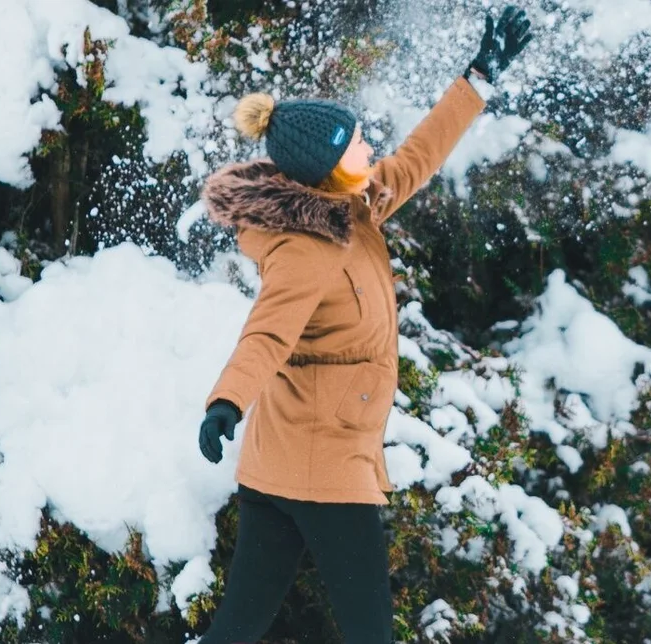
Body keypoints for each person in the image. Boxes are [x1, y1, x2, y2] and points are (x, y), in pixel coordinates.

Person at [191, 6, 533, 642]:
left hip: (282, 462)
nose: (368, 146)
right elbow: (265, 335)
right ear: (327, 168)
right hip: (324, 463)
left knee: (236, 633)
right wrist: (225, 404)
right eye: (354, 144)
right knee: (369, 633)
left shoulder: (354, 206)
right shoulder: (304, 250)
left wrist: (478, 78)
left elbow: (417, 156)